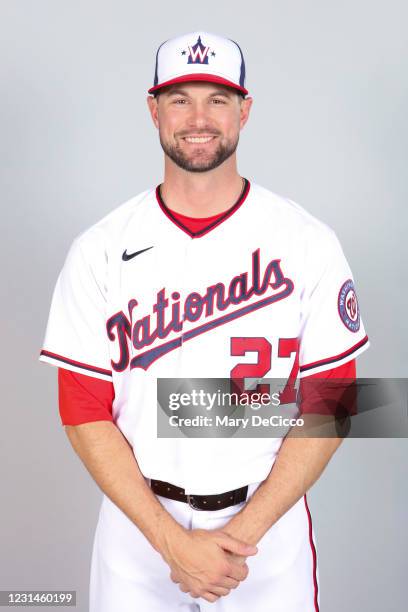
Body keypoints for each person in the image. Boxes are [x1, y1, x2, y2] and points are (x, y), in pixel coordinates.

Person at [40, 31, 369, 611]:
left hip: (265, 532)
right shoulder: (99, 249)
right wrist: (171, 544)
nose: (198, 117)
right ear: (153, 110)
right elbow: (82, 407)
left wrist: (241, 537)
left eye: (217, 99)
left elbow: (334, 399)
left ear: (244, 110)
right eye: (179, 98)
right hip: (139, 531)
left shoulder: (306, 242)